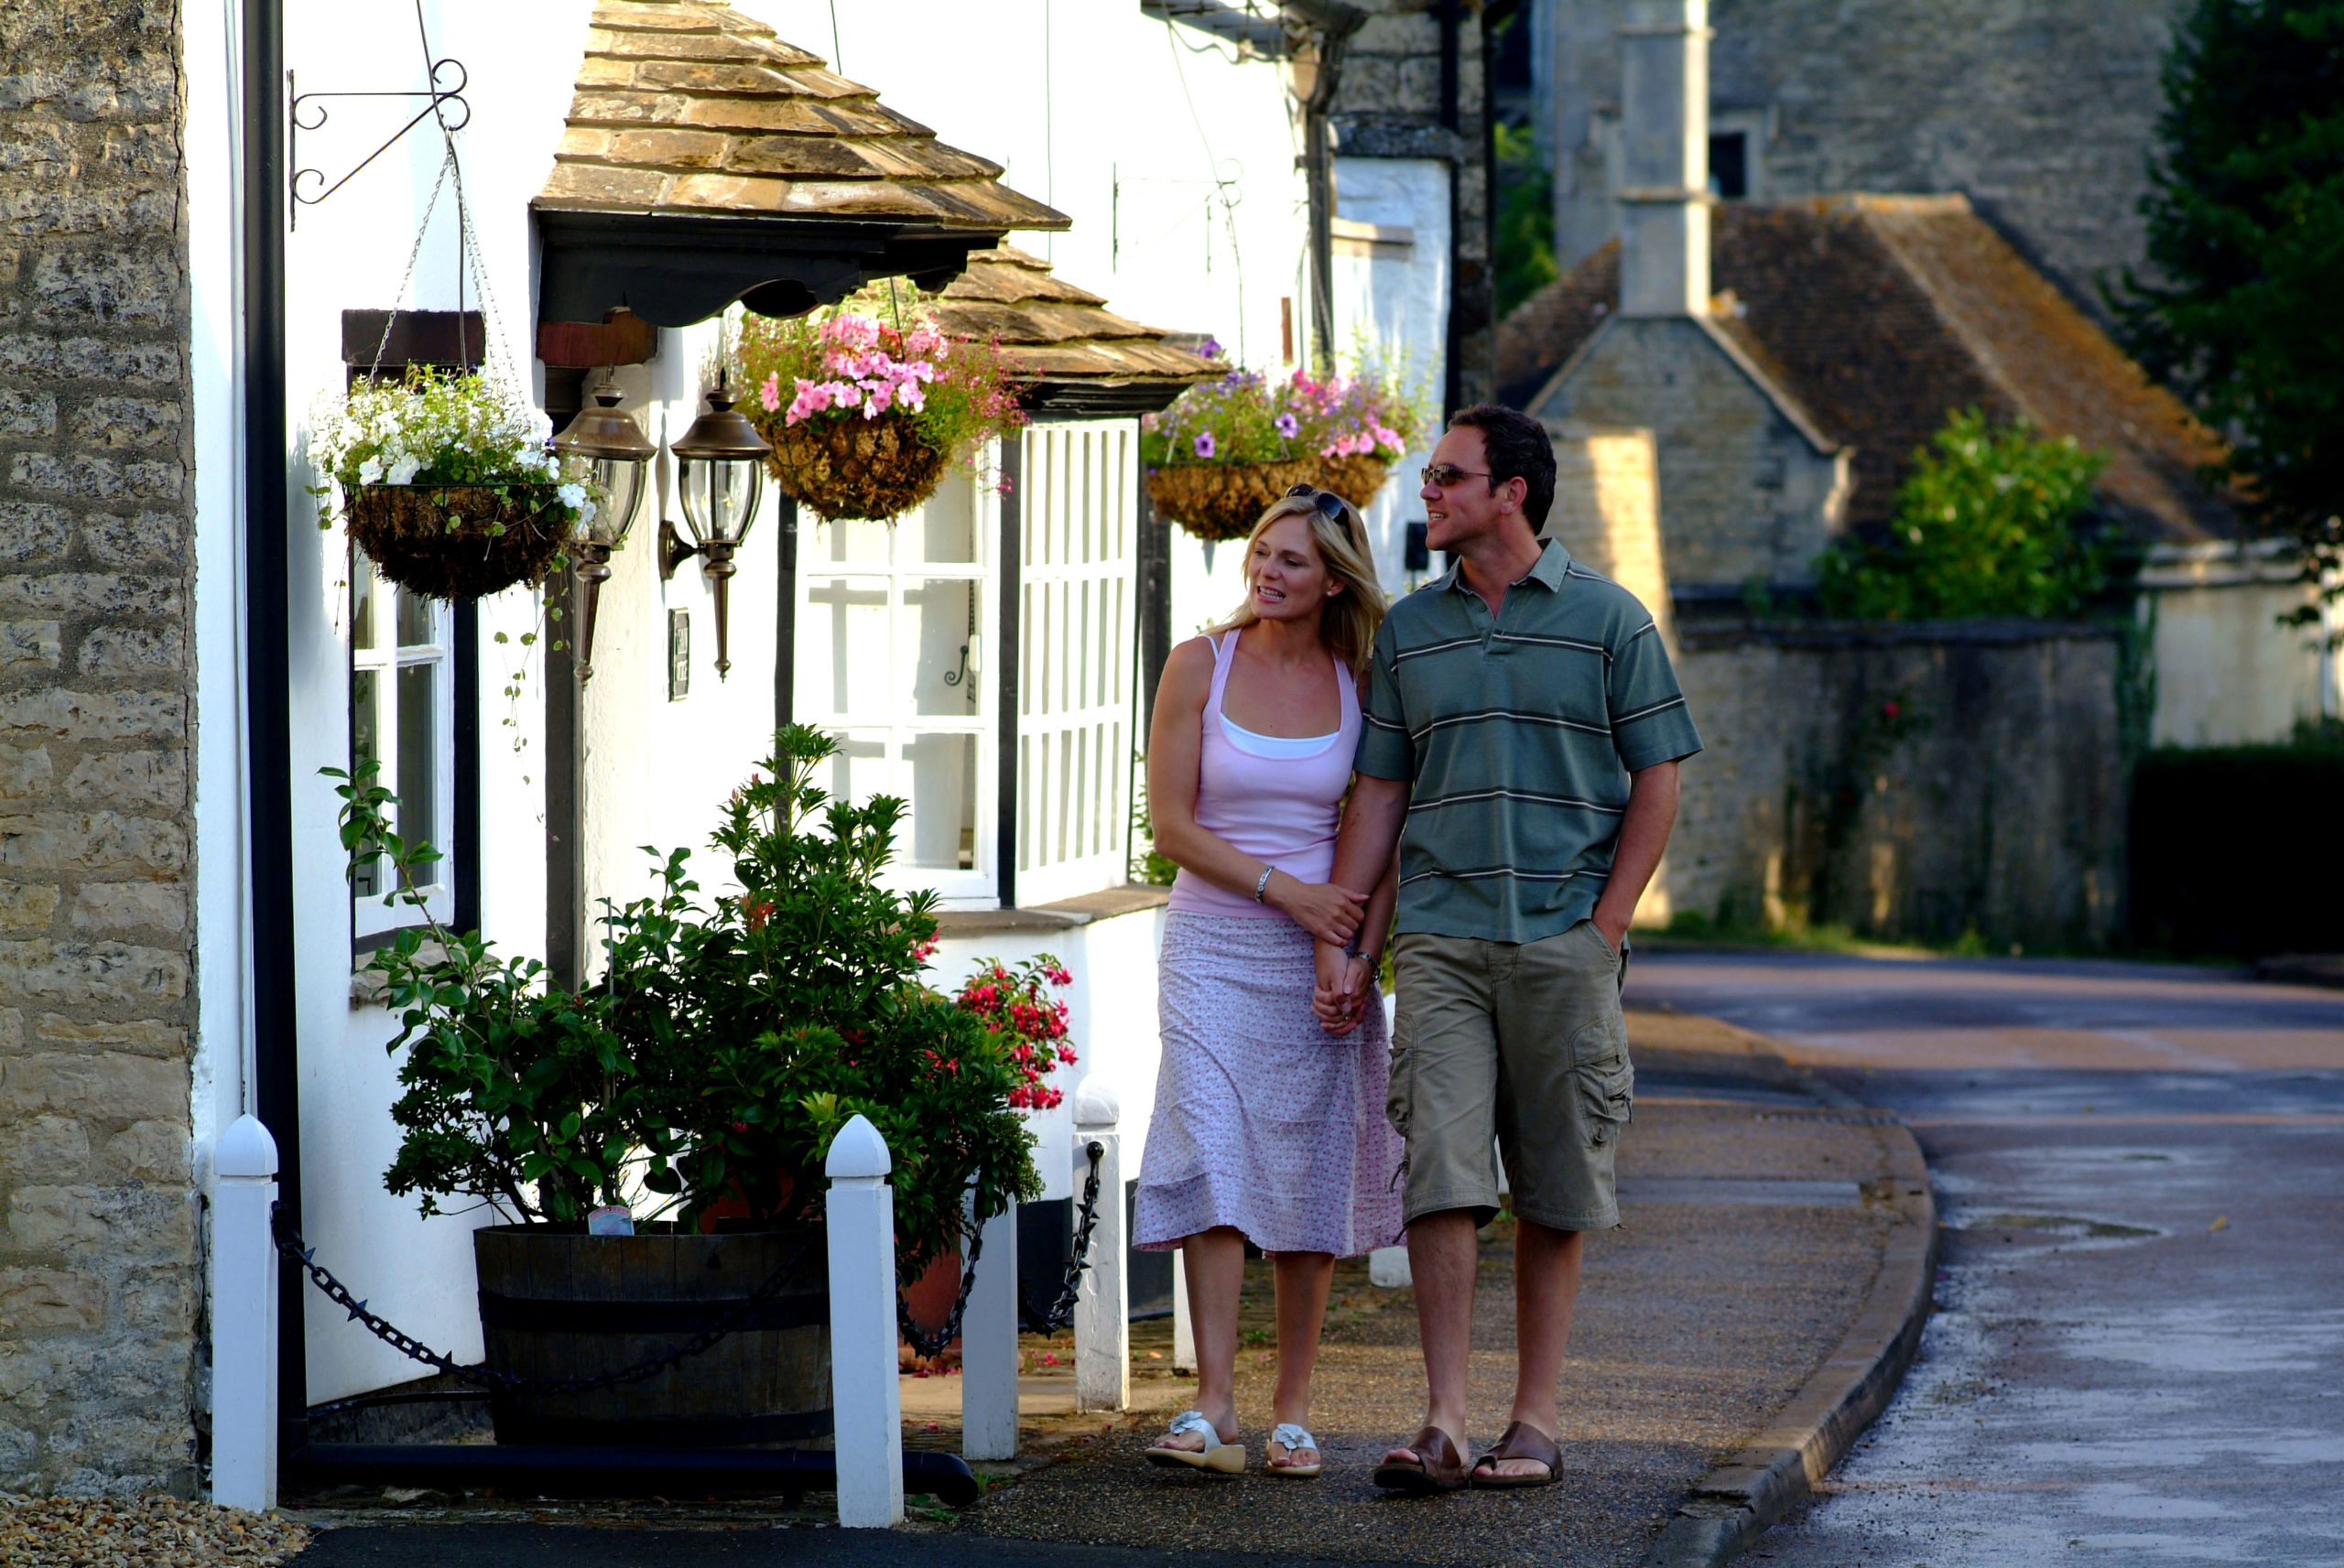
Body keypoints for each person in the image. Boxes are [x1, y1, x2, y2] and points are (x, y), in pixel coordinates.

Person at [1312, 405, 1701, 1492]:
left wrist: (1606, 927)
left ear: (1511, 492)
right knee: (1439, 1174)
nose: (1425, 491)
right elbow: (1380, 794)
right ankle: (1441, 1422)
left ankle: (1533, 1423)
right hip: (1439, 941)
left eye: (1447, 475)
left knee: (1554, 1185)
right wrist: (1347, 942)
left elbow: (1659, 773)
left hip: (1563, 945)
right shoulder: (1409, 634)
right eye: (1429, 475)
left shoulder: (1608, 620)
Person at [1134, 486, 1405, 1479]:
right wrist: (1284, 892)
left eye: (1291, 559)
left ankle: (1292, 1410)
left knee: (1306, 1169)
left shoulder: (1361, 682)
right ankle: (1213, 1406)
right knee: (1209, 1149)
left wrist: (1355, 953)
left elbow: (1380, 834)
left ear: (1334, 577)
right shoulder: (1195, 665)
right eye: (1261, 551)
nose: (1268, 570)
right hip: (1211, 942)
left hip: (1319, 956)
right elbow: (1171, 826)